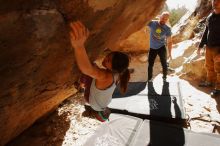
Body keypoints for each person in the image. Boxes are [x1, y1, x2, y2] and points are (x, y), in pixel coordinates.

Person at [69, 21, 130, 121]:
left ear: (113, 67)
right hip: (100, 103)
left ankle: (81, 83)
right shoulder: (118, 73)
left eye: (108, 60)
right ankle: (83, 85)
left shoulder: (105, 76)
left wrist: (78, 46)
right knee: (95, 71)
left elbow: (86, 69)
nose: (105, 58)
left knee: (91, 67)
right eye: (108, 56)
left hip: (90, 99)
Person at [197, 0, 220, 98]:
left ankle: (218, 88)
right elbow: (206, 32)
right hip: (209, 47)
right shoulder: (210, 17)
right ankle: (210, 82)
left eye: (218, 2)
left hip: (218, 48)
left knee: (219, 69)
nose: (215, 3)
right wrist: (200, 46)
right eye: (214, 1)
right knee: (209, 66)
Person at [147, 11, 173, 82]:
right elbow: (144, 20)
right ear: (160, 16)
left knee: (164, 64)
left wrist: (170, 53)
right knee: (150, 64)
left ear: (167, 20)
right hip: (152, 47)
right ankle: (149, 78)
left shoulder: (167, 28)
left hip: (161, 47)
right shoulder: (152, 23)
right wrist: (153, 15)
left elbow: (169, 41)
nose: (163, 20)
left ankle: (164, 77)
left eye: (165, 19)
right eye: (163, 17)